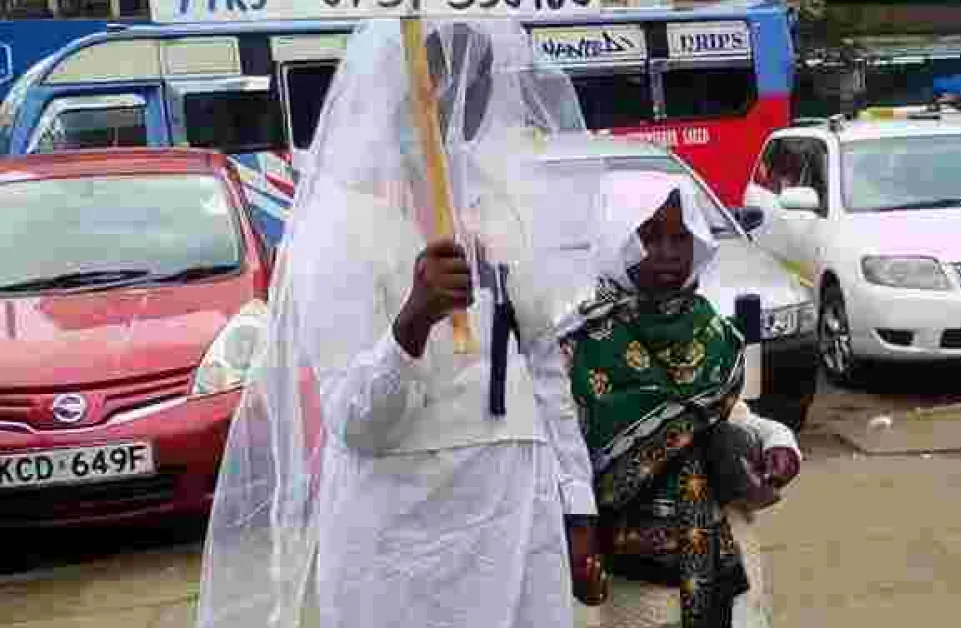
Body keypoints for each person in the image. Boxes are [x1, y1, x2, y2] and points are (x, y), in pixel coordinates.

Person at [194, 19, 605, 628]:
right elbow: (354, 422)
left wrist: (577, 505)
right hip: (404, 542)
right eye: (436, 73)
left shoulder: (500, 211)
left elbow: (543, 368)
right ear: (394, 87)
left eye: (475, 76)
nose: (457, 93)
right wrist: (413, 320)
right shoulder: (338, 227)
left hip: (521, 520)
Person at [559, 171, 803, 628]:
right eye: (650, 237)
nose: (668, 252)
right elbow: (564, 460)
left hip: (726, 573)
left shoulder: (711, 331)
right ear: (616, 239)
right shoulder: (582, 345)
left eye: (680, 236)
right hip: (632, 589)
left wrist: (778, 443)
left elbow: (733, 419)